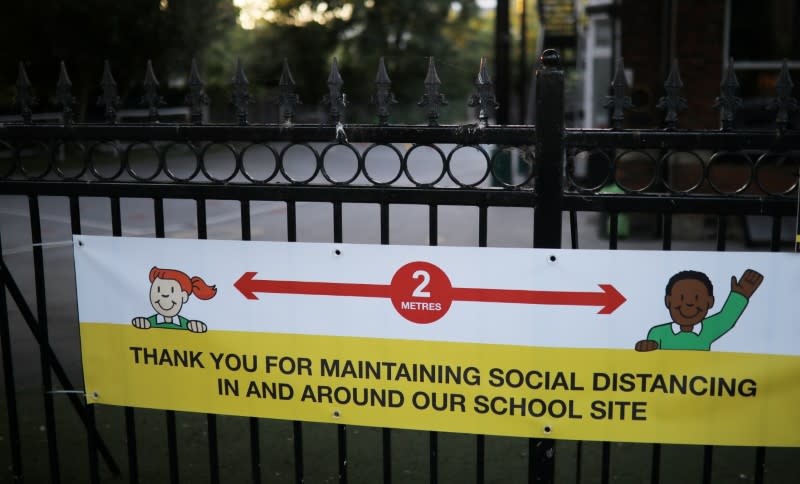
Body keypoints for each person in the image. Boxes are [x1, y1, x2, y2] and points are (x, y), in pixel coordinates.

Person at [635, 269, 763, 351]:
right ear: (668, 301)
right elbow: (650, 357)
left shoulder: (707, 330)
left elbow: (726, 319)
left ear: (710, 302)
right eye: (681, 297)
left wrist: (739, 296)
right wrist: (646, 347)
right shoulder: (658, 332)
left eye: (697, 298)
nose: (689, 303)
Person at [132, 266, 217, 333]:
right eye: (158, 290)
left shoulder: (187, 324)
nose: (165, 295)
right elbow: (142, 323)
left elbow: (196, 328)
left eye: (172, 291)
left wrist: (196, 326)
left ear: (183, 297)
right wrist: (142, 322)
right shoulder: (149, 322)